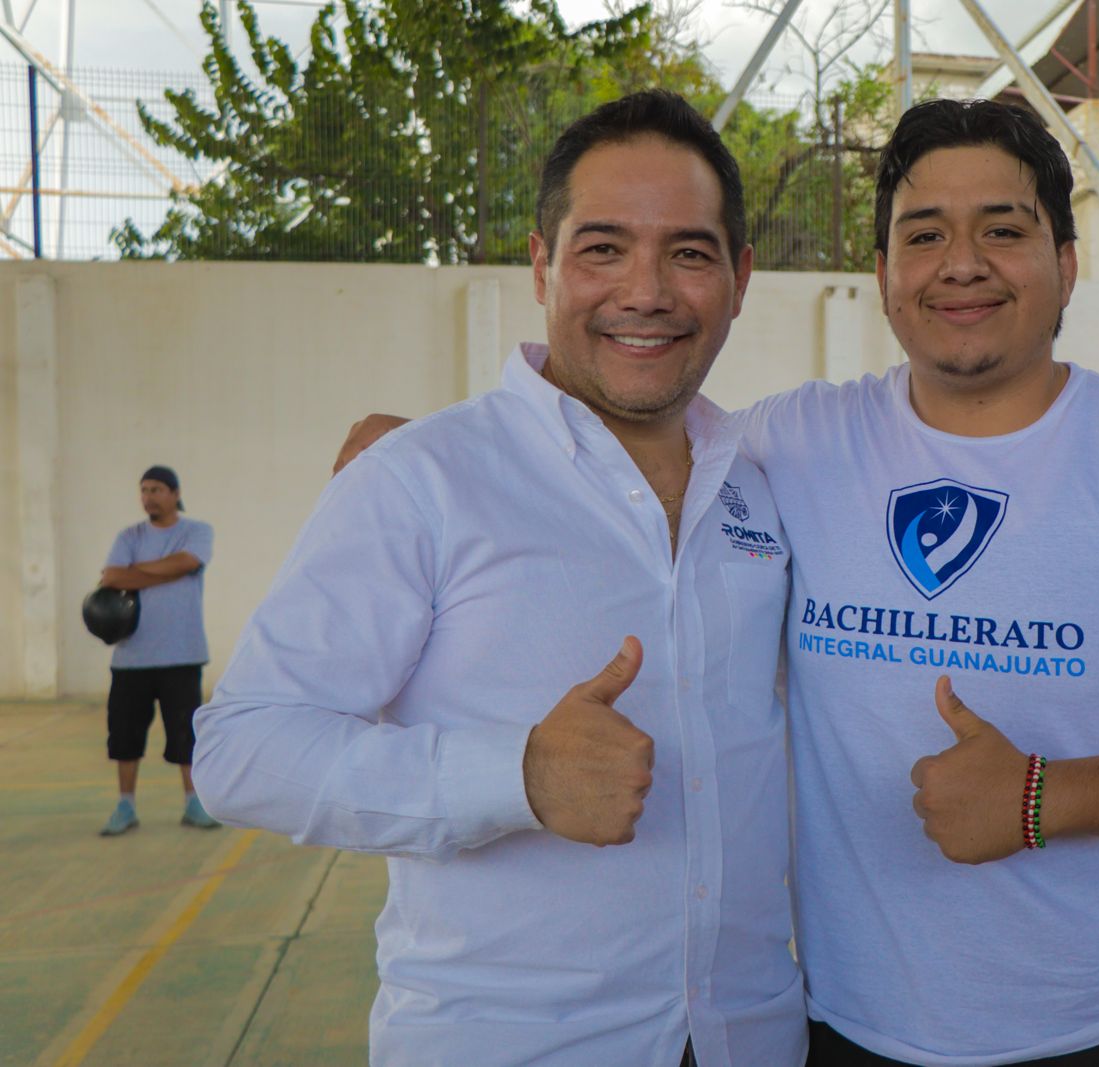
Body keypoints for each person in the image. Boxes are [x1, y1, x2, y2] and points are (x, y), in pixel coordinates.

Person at [335, 98, 1099, 1066]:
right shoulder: (792, 443)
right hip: (850, 1030)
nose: (961, 263)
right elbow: (609, 437)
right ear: (882, 272)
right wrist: (422, 450)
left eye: (1003, 230)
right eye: (923, 234)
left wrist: (1046, 796)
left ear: (1066, 264)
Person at [192, 92, 804, 1067]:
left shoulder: (763, 482)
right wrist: (515, 775)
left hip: (752, 1035)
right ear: (541, 265)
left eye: (688, 252)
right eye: (603, 248)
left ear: (739, 278)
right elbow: (243, 749)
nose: (645, 291)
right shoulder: (421, 479)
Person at [97, 465, 220, 835]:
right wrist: (168, 571)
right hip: (131, 657)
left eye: (156, 490)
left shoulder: (196, 531)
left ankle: (194, 803)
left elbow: (188, 561)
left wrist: (136, 572)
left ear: (175, 493)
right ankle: (125, 806)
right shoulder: (129, 535)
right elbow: (111, 576)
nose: (148, 497)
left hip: (182, 654)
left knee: (186, 735)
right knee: (125, 737)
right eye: (144, 490)